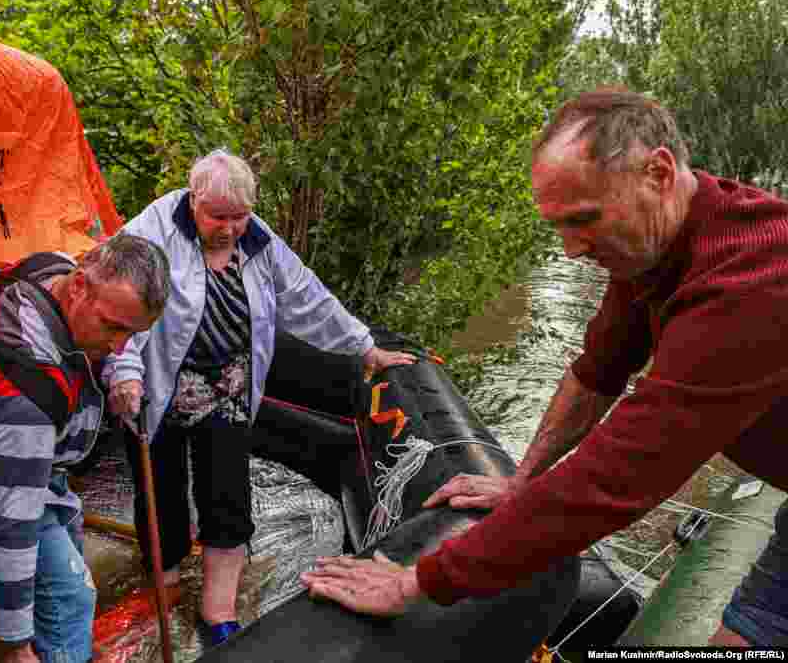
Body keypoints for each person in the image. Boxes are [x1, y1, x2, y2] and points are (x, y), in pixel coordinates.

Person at [301, 87, 788, 647]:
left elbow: (616, 478)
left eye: (583, 220)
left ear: (657, 173)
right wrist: (521, 481)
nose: (572, 250)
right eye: (558, 226)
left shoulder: (748, 286)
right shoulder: (656, 245)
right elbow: (596, 371)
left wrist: (416, 581)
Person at [102, 149, 415, 646]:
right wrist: (124, 371)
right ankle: (164, 585)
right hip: (158, 386)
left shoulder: (259, 241)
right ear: (193, 199)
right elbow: (119, 304)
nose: (229, 228)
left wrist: (363, 346)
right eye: (217, 217)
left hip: (228, 389)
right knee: (159, 493)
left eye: (239, 216)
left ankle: (217, 610)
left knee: (227, 496)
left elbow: (306, 297)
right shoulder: (152, 231)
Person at [0, 235, 171, 663]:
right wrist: (16, 643)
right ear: (79, 286)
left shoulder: (59, 269)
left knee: (71, 574)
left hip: (41, 469)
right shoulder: (25, 386)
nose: (119, 345)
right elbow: (15, 520)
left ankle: (64, 645)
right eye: (112, 328)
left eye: (132, 333)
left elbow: (120, 341)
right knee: (68, 594)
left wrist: (124, 370)